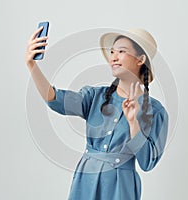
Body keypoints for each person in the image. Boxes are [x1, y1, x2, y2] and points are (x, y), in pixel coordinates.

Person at [25, 27, 169, 200]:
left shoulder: (156, 112)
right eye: (112, 52)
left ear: (140, 59)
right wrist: (32, 65)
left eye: (121, 51)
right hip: (86, 181)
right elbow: (55, 99)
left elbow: (148, 162)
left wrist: (134, 124)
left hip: (120, 188)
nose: (113, 57)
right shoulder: (95, 97)